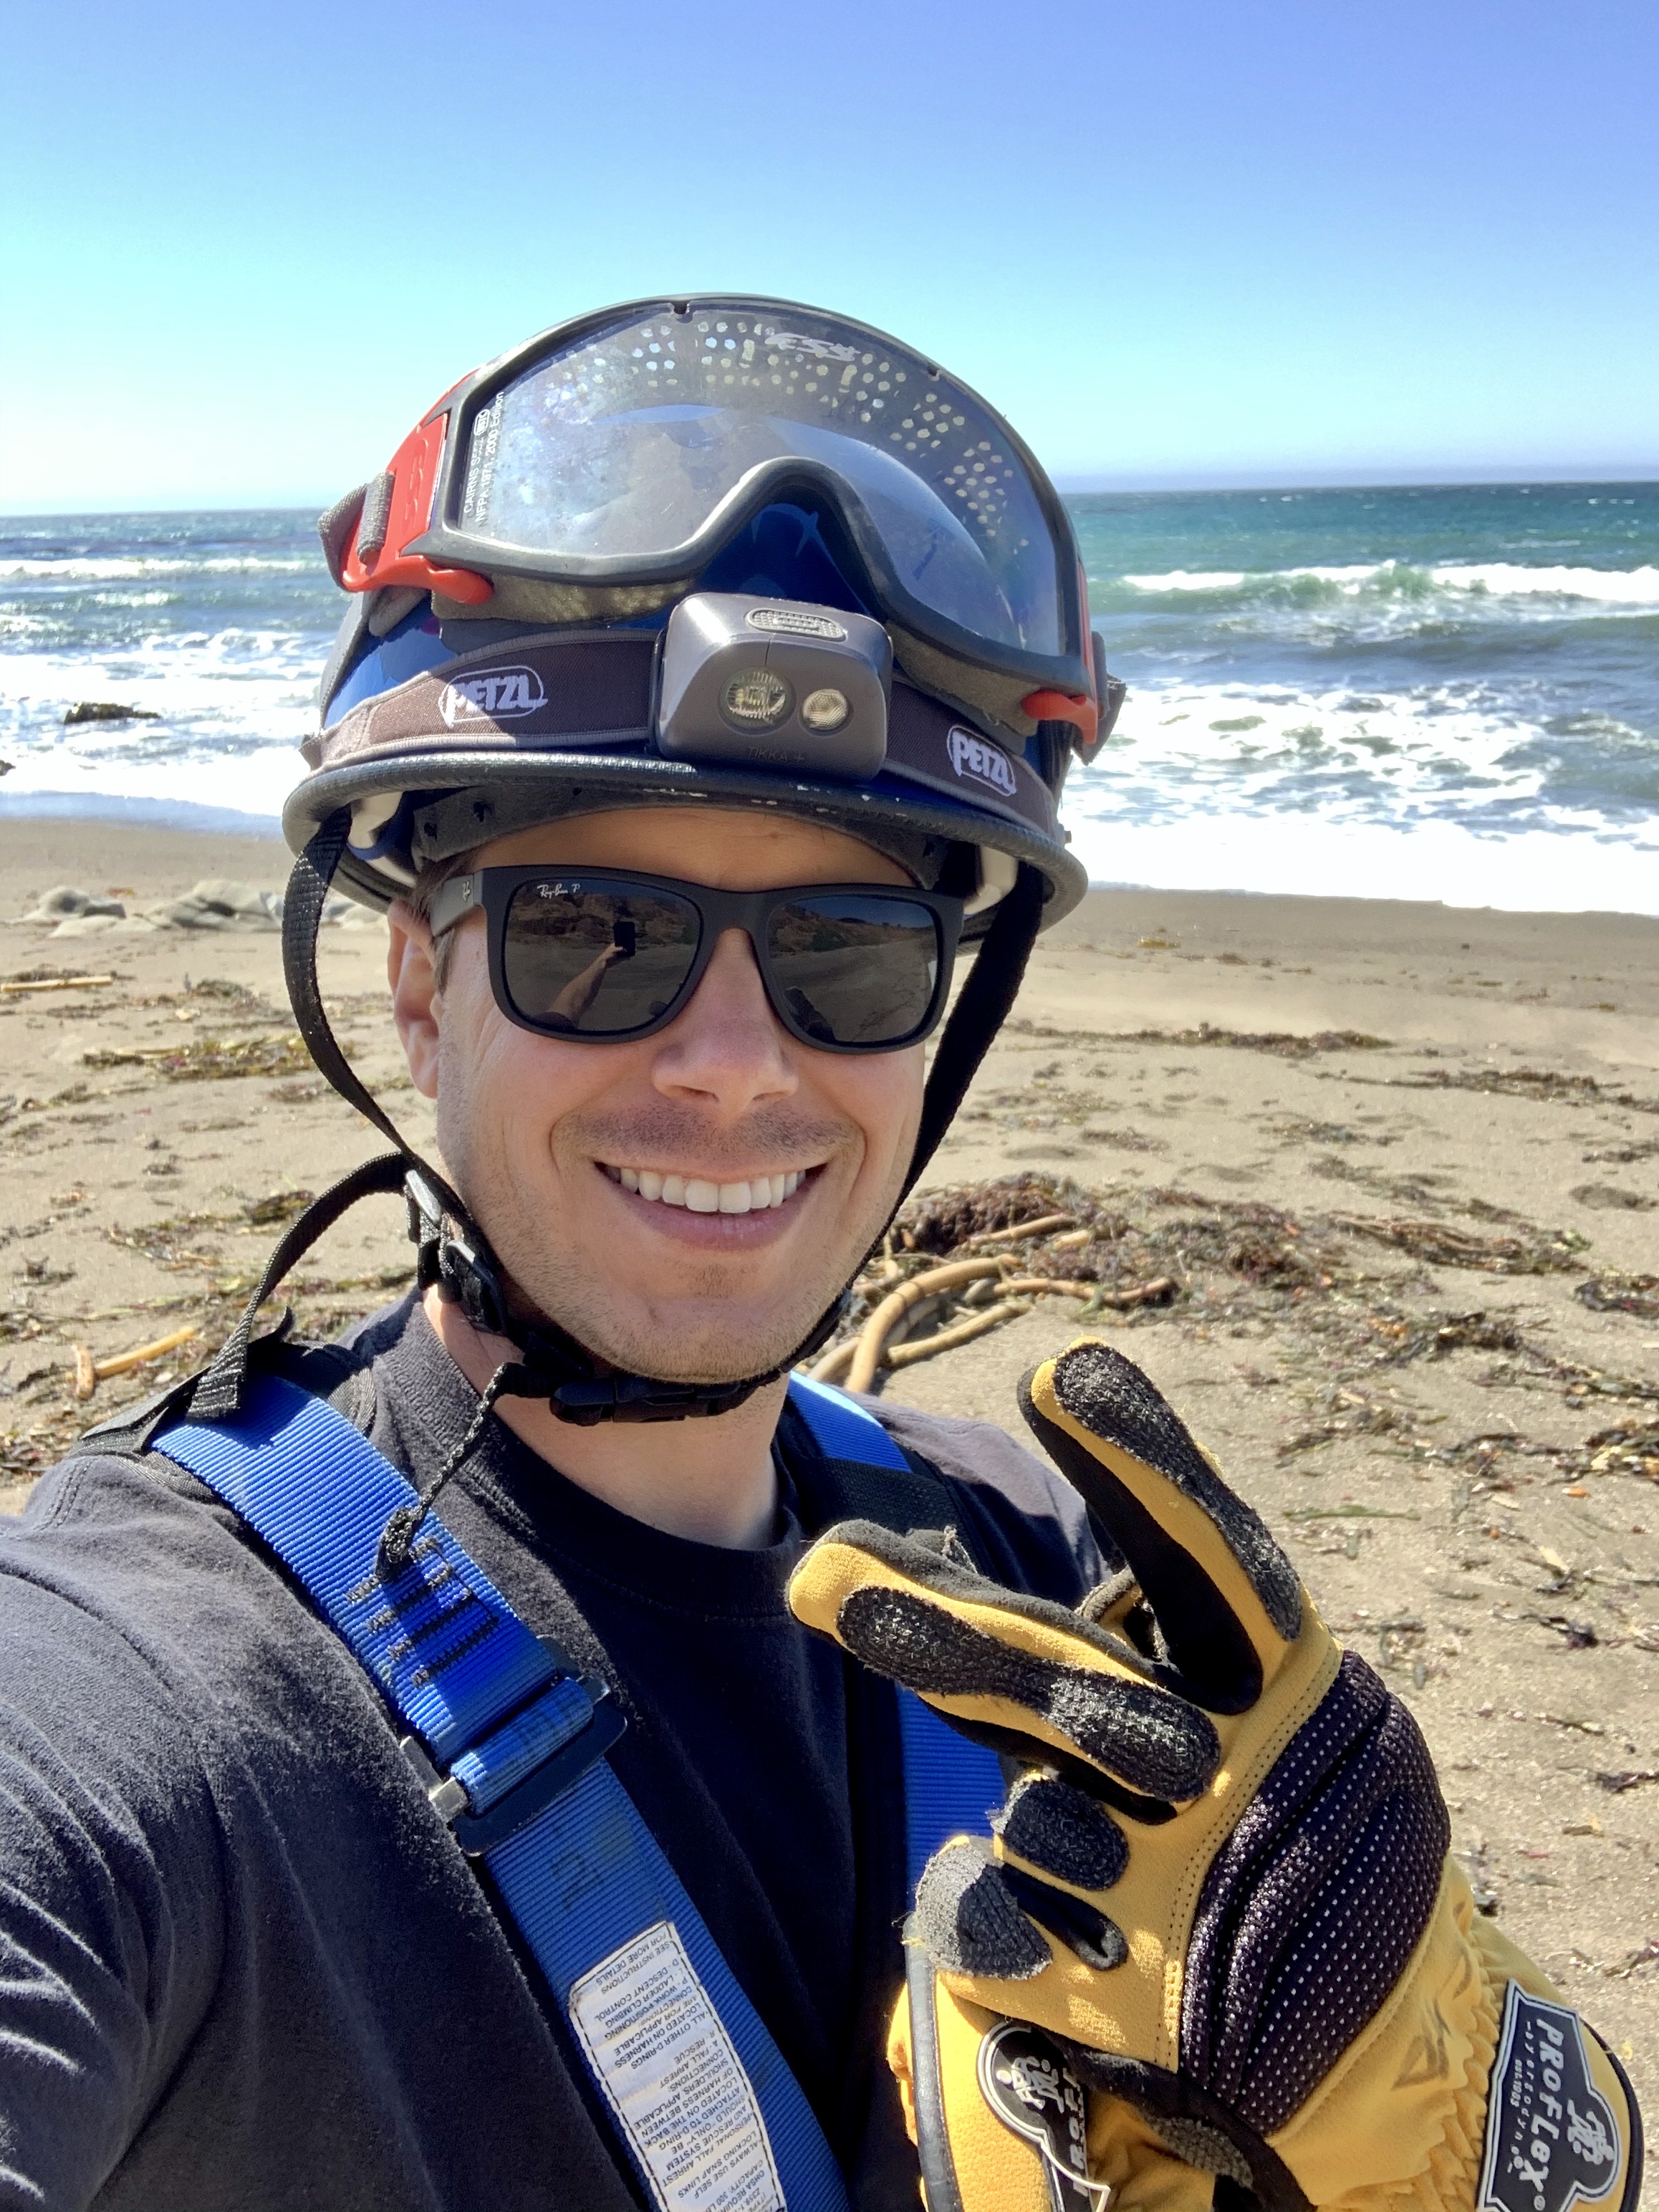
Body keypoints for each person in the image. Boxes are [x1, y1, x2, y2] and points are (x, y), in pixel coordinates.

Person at [0, 299, 1635, 2212]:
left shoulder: (1052, 1591)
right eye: (589, 933)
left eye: (846, 955)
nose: (731, 1066)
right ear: (421, 990)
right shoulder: (151, 1698)